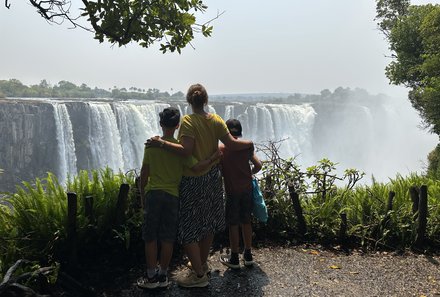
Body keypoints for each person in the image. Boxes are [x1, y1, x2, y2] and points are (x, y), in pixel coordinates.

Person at [146, 83, 254, 288]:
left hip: (194, 180)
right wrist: (248, 143)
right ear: (205, 101)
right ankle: (201, 264)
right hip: (213, 178)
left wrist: (161, 143)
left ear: (189, 101)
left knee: (187, 228)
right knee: (208, 223)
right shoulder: (216, 120)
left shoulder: (188, 121)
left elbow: (186, 151)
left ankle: (198, 276)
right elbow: (231, 144)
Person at [137, 107, 220, 289]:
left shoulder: (151, 146)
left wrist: (142, 195)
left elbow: (144, 174)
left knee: (150, 237)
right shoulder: (181, 150)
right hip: (173, 196)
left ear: (160, 124)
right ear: (177, 126)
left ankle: (151, 277)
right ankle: (163, 275)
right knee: (167, 238)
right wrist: (214, 157)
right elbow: (197, 167)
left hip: (153, 194)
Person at [219, 119, 262, 269]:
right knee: (246, 221)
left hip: (232, 191)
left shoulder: (222, 149)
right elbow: (258, 165)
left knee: (233, 224)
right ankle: (248, 255)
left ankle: (234, 257)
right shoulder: (245, 147)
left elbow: (218, 169)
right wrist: (248, 174)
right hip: (247, 189)